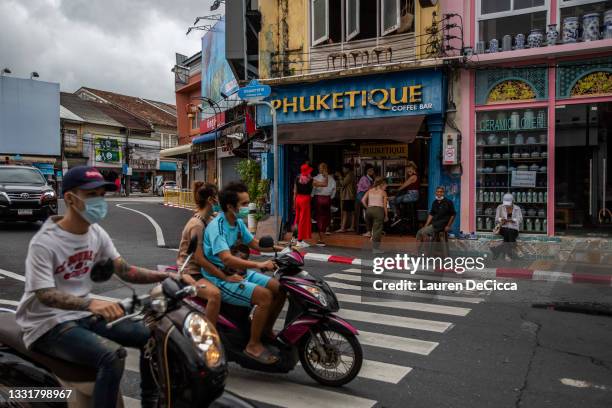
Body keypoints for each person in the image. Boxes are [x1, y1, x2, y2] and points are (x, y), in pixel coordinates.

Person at [16, 166, 181, 408]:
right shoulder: (45, 242)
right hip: (45, 323)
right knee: (112, 356)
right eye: (92, 195)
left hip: (82, 314)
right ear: (70, 199)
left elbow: (125, 270)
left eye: (102, 195)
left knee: (153, 337)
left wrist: (166, 277)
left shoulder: (96, 233)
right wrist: (91, 303)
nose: (100, 202)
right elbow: (44, 294)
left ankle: (151, 401)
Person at [203, 182, 285, 364]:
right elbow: (226, 259)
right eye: (244, 204)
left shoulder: (238, 223)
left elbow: (254, 243)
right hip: (222, 278)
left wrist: (284, 249)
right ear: (230, 207)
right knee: (264, 296)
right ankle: (253, 345)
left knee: (279, 288)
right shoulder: (218, 228)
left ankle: (265, 330)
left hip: (240, 273)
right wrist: (260, 265)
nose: (248, 207)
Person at [176, 181, 222, 325]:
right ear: (210, 200)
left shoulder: (208, 218)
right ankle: (208, 337)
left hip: (203, 269)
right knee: (214, 295)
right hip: (192, 272)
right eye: (217, 197)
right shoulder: (197, 225)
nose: (219, 200)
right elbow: (199, 259)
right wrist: (223, 274)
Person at [293, 163, 327, 248]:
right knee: (303, 220)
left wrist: (294, 203)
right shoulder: (311, 180)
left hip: (297, 199)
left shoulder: (297, 179)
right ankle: (299, 241)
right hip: (305, 200)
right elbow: (324, 184)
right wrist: (326, 175)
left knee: (297, 219)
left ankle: (295, 237)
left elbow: (294, 192)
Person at [361, 177, 388, 254]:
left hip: (369, 210)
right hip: (378, 211)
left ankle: (370, 234)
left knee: (372, 227)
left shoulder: (369, 190)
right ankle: (375, 249)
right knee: (377, 230)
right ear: (381, 184)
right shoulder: (383, 192)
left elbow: (363, 200)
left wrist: (368, 207)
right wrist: (386, 215)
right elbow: (385, 206)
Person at [493, 193, 523, 261]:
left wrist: (513, 220)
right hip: (502, 227)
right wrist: (502, 219)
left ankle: (503, 253)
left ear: (512, 201)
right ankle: (516, 248)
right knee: (508, 231)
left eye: (508, 203)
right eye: (505, 204)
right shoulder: (500, 207)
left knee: (508, 234)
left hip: (514, 228)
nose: (507, 205)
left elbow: (520, 219)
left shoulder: (517, 208)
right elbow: (496, 219)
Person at [312, 162, 336, 246]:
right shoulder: (331, 178)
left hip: (318, 198)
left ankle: (321, 238)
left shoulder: (315, 178)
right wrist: (331, 197)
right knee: (326, 217)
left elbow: (313, 190)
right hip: (327, 199)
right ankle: (324, 232)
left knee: (319, 217)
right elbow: (334, 190)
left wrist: (312, 197)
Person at [335, 164, 356, 233]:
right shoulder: (352, 175)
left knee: (345, 212)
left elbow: (343, 183)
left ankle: (343, 227)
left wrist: (340, 176)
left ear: (347, 169)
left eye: (344, 169)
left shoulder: (349, 175)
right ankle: (352, 227)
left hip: (348, 196)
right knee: (351, 212)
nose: (343, 170)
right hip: (351, 196)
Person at [357, 164, 375, 237]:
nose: (372, 171)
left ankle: (371, 230)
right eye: (370, 170)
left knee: (370, 212)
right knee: (368, 212)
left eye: (372, 170)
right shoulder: (364, 178)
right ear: (367, 171)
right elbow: (369, 188)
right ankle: (368, 230)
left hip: (367, 197)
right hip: (362, 197)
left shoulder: (371, 178)